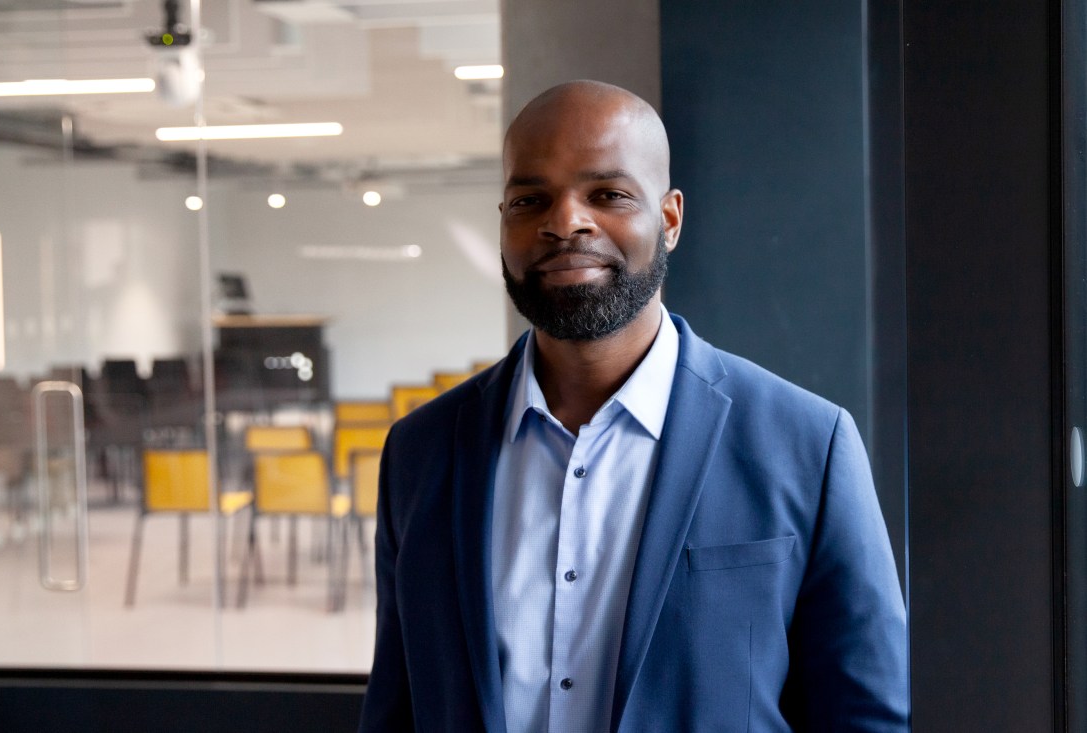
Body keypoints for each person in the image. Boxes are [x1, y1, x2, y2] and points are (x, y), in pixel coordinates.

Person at [359, 80, 908, 732]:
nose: (566, 222)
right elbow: (395, 709)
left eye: (608, 195)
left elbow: (867, 718)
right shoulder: (420, 451)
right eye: (530, 199)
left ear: (670, 218)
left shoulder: (807, 445)